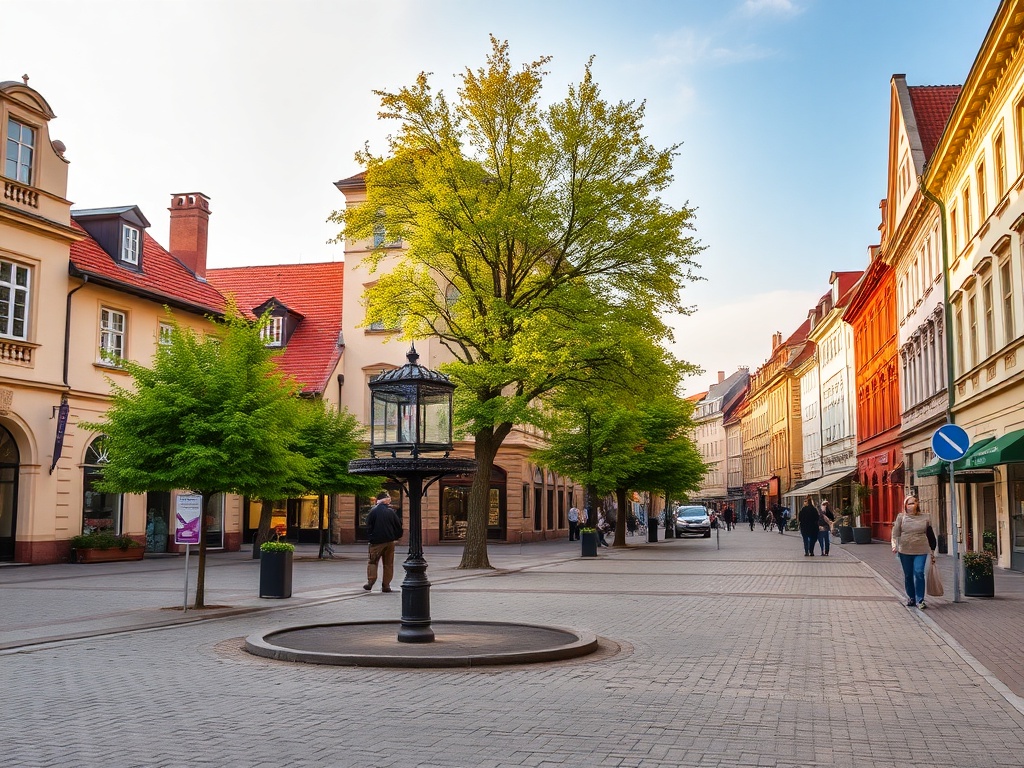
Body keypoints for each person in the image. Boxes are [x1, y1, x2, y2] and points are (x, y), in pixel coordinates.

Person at [891, 495, 937, 609]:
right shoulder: (901, 517)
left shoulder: (926, 517)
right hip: (905, 549)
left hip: (921, 548)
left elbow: (930, 534)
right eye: (909, 503)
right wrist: (894, 545)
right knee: (908, 575)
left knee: (919, 572)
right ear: (905, 505)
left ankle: (920, 599)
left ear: (917, 505)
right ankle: (911, 597)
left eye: (913, 503)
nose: (911, 505)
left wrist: (932, 550)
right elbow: (895, 533)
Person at [364, 491, 403, 593]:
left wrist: (371, 537)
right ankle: (386, 586)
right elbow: (398, 526)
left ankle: (370, 582)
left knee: (373, 562)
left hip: (376, 542)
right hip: (389, 542)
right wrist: (395, 537)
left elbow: (368, 526)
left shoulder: (373, 511)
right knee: (388, 564)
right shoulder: (391, 512)